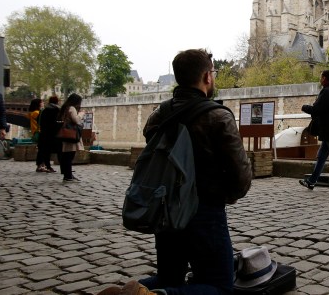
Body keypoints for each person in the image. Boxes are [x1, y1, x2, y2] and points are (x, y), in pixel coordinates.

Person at [101, 49, 252, 295]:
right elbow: (240, 175)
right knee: (220, 286)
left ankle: (124, 292)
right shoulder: (218, 115)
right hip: (204, 210)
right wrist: (229, 194)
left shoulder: (159, 115)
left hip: (166, 208)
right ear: (206, 76)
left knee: (169, 275)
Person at [58, 93, 84, 182]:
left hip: (65, 134)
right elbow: (76, 120)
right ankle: (68, 175)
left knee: (66, 156)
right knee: (69, 156)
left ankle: (67, 174)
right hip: (71, 134)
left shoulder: (65, 108)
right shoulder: (72, 108)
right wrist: (81, 114)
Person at [36, 96, 60, 173]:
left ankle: (41, 165)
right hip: (52, 133)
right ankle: (49, 166)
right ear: (57, 102)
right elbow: (57, 122)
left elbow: (39, 122)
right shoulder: (56, 110)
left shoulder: (44, 110)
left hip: (43, 133)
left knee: (42, 150)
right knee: (50, 150)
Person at [28, 98, 44, 171]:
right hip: (40, 132)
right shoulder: (37, 113)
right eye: (42, 102)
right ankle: (41, 165)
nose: (43, 103)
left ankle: (40, 165)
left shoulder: (31, 113)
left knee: (41, 149)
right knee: (43, 149)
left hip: (35, 132)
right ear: (38, 104)